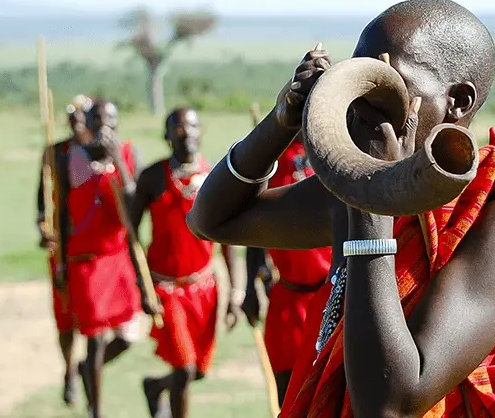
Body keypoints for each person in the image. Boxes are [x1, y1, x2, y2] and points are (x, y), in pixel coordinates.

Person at [187, 0, 495, 417]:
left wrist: (371, 199)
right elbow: (213, 219)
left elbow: (389, 404)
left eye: (386, 82)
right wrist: (281, 121)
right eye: (358, 78)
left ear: (458, 102)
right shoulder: (351, 196)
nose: (360, 101)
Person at [128, 107, 242, 418]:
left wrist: (235, 294)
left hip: (205, 288)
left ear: (201, 131)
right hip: (166, 289)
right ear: (166, 136)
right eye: (178, 128)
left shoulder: (216, 176)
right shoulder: (152, 178)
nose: (186, 133)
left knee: (198, 371)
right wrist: (141, 286)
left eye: (192, 126)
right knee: (184, 367)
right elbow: (131, 234)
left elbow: (227, 238)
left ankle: (154, 387)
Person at [63, 98, 145, 418]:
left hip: (118, 256)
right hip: (86, 259)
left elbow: (132, 202)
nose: (104, 126)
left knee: (127, 335)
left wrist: (117, 163)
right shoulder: (71, 156)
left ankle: (86, 369)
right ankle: (96, 409)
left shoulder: (127, 152)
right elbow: (63, 215)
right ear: (89, 122)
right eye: (98, 119)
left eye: (110, 119)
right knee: (94, 339)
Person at [241, 134, 332, 405]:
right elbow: (254, 225)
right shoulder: (269, 162)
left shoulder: (337, 153)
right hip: (287, 298)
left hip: (332, 297)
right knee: (287, 394)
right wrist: (250, 285)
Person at [35, 94, 93, 406]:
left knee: (96, 319)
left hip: (94, 249)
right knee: (66, 316)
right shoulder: (56, 153)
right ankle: (70, 370)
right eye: (72, 116)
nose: (77, 121)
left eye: (83, 115)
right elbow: (42, 204)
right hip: (64, 248)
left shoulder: (102, 154)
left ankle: (89, 369)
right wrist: (44, 230)